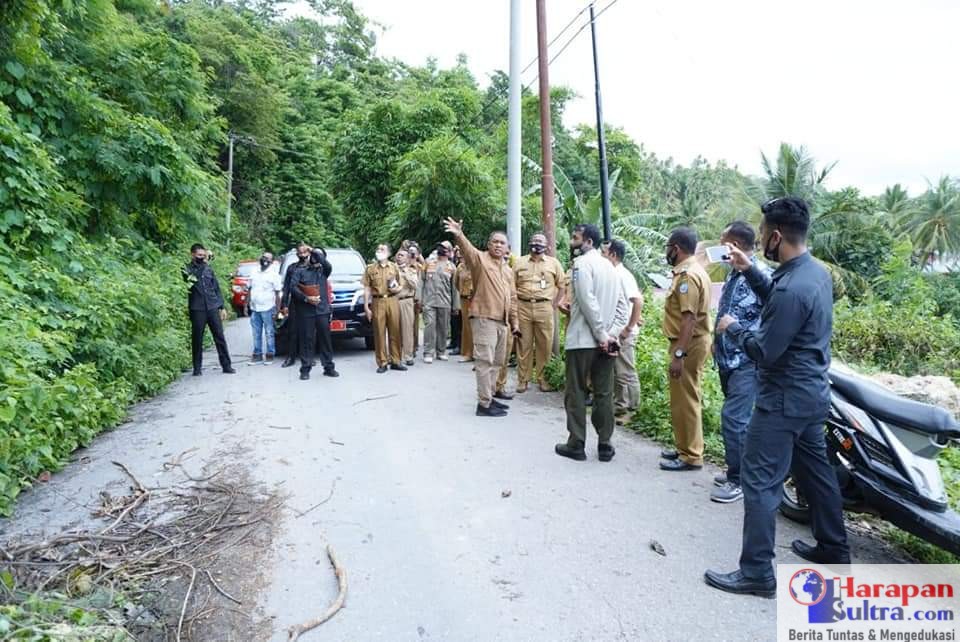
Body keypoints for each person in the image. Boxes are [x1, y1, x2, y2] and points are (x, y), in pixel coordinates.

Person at [705, 197, 849, 598]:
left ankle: (756, 572)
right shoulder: (813, 274)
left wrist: (732, 328)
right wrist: (751, 271)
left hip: (782, 400)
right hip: (811, 396)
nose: (763, 240)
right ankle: (834, 548)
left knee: (760, 481)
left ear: (776, 236)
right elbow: (779, 299)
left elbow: (765, 350)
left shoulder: (792, 287)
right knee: (816, 473)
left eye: (765, 234)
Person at [710, 222, 770, 504]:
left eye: (723, 242)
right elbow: (726, 310)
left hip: (747, 359)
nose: (719, 248)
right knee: (738, 421)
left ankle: (740, 480)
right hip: (726, 358)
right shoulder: (733, 273)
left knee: (734, 420)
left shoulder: (760, 275)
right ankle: (738, 470)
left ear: (734, 244)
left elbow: (768, 316)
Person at [555, 224, 621, 462]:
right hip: (606, 341)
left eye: (575, 238)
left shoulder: (581, 265)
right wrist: (611, 335)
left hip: (584, 339)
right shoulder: (611, 267)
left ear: (589, 242)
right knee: (604, 393)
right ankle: (605, 444)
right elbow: (622, 307)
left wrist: (601, 334)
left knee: (576, 392)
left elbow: (585, 300)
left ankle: (576, 443)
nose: (572, 242)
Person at [443, 218, 518, 417]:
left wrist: (515, 322)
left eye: (502, 243)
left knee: (498, 362)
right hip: (484, 318)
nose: (498, 245)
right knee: (485, 361)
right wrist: (458, 234)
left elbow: (512, 297)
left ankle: (490, 397)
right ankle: (483, 405)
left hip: (502, 321)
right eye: (495, 242)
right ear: (488, 244)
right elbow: (467, 249)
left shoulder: (508, 271)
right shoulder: (480, 260)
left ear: (507, 248)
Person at [660, 227, 713, 472]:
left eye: (668, 248)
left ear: (676, 248)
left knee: (688, 399)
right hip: (689, 342)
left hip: (688, 344)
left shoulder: (687, 276)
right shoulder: (693, 271)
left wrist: (679, 354)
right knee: (681, 399)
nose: (667, 252)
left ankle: (692, 456)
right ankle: (684, 448)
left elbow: (689, 319)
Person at [511, 232, 564, 394]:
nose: (537, 243)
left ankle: (543, 380)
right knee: (523, 345)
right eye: (534, 240)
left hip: (545, 308)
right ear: (529, 243)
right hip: (523, 306)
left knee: (544, 346)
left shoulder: (554, 263)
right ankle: (523, 381)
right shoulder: (519, 262)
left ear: (547, 245)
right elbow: (511, 285)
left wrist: (554, 305)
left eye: (540, 241)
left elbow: (562, 286)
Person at [604, 240, 643, 424]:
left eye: (604, 252)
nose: (601, 256)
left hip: (624, 333)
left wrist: (629, 327)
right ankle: (619, 407)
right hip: (614, 332)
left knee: (626, 372)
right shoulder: (613, 274)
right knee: (617, 372)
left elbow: (638, 301)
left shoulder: (623, 275)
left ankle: (631, 409)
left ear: (613, 255)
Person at [183, 244, 234, 376]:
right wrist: (204, 264)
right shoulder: (186, 269)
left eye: (203, 255)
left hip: (212, 307)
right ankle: (197, 368)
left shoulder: (209, 269)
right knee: (197, 338)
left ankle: (226, 366)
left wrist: (221, 307)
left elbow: (216, 288)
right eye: (199, 255)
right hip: (197, 308)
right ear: (192, 254)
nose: (202, 257)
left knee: (219, 337)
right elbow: (191, 280)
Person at [290, 248, 339, 380]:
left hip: (322, 311)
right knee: (307, 340)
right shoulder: (300, 271)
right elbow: (293, 288)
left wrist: (314, 250)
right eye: (312, 255)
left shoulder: (324, 271)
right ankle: (305, 369)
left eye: (317, 255)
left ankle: (328, 367)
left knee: (326, 340)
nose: (314, 257)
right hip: (306, 311)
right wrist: (306, 298)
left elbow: (327, 264)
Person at [363, 243, 405, 373]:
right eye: (378, 249)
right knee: (379, 332)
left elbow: (401, 285)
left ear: (388, 253)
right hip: (377, 301)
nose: (379, 251)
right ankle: (382, 362)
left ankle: (396, 361)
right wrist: (366, 306)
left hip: (392, 300)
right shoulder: (370, 269)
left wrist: (397, 288)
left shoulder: (394, 267)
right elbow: (367, 288)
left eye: (382, 249)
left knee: (395, 331)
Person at [421, 242, 456, 363]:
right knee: (429, 325)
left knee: (443, 327)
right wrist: (419, 299)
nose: (441, 249)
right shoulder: (428, 263)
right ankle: (428, 352)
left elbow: (454, 288)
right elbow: (421, 281)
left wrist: (455, 305)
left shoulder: (451, 267)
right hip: (429, 301)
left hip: (445, 301)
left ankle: (441, 351)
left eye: (445, 248)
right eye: (440, 247)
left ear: (449, 251)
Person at [247, 251, 282, 365]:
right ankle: (257, 355)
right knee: (256, 333)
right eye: (264, 257)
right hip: (255, 308)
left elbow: (277, 293)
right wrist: (245, 304)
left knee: (269, 332)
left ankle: (270, 354)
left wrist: (277, 310)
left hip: (268, 307)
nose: (265, 259)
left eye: (268, 258)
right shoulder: (254, 271)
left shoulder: (274, 274)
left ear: (272, 262)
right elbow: (249, 288)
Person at [281, 243, 311, 368]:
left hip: (310, 303)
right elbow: (287, 287)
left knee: (309, 332)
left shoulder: (313, 267)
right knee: (292, 331)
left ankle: (309, 357)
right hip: (295, 303)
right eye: (300, 252)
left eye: (305, 252)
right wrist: (284, 305)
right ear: (297, 254)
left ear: (309, 253)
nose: (303, 255)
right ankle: (291, 357)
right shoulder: (292, 268)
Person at [396, 249, 421, 367]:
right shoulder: (392, 269)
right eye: (398, 255)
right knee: (395, 329)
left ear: (407, 258)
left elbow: (415, 285)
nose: (399, 257)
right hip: (394, 301)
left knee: (407, 329)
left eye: (402, 255)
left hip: (407, 301)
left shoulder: (411, 270)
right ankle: (396, 355)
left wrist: (405, 273)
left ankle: (408, 355)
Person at [454, 252, 475, 362]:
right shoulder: (460, 267)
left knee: (475, 326)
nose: (462, 257)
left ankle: (477, 354)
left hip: (474, 300)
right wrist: (463, 291)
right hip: (464, 299)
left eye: (463, 255)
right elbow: (456, 283)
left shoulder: (476, 266)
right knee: (466, 327)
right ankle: (468, 353)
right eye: (461, 256)